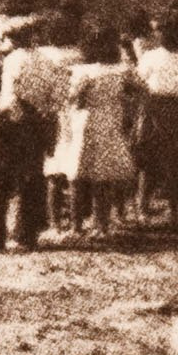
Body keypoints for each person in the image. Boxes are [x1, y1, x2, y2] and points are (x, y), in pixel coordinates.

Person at [0, 20, 64, 251]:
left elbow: (10, 95)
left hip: (13, 121)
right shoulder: (48, 62)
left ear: (16, 39)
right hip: (37, 122)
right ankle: (26, 235)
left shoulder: (12, 60)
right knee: (31, 178)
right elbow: (56, 97)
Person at [55, 27, 139, 235]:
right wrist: (126, 105)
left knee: (80, 174)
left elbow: (71, 96)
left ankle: (77, 226)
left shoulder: (84, 71)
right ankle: (102, 225)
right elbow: (140, 88)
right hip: (110, 121)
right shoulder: (121, 70)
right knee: (103, 176)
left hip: (88, 120)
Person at [133, 13, 178, 226]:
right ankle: (144, 207)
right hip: (157, 107)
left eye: (163, 32)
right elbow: (139, 81)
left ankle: (171, 210)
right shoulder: (154, 56)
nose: (161, 36)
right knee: (150, 159)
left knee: (173, 161)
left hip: (175, 108)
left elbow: (139, 81)